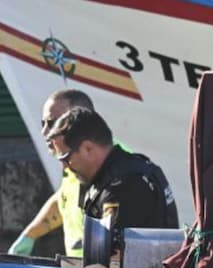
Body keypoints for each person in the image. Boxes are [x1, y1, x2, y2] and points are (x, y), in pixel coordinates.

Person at [44, 108, 179, 255]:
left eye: (66, 158)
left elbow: (114, 259)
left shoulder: (124, 185)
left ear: (87, 148)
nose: (65, 167)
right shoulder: (131, 170)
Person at [9, 89, 98, 257]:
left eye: (52, 123)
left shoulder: (112, 165)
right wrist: (30, 235)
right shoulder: (72, 163)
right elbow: (65, 198)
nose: (45, 132)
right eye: (43, 123)